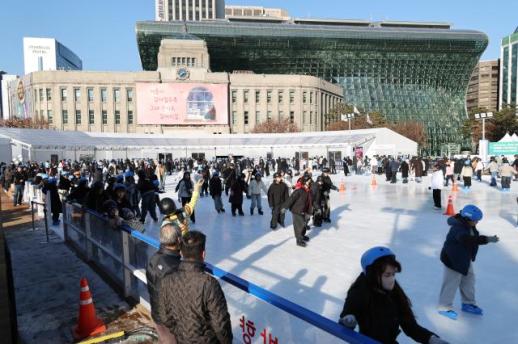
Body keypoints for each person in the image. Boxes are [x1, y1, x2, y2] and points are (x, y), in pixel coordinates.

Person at [339, 247, 449, 344]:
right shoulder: (360, 291)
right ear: (373, 274)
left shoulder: (395, 293)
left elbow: (409, 325)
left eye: (393, 274)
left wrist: (430, 339)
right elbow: (349, 312)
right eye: (387, 275)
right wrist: (348, 318)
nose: (392, 279)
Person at [157, 231, 233, 344]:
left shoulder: (167, 280)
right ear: (203, 254)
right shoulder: (209, 284)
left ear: (181, 253)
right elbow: (221, 325)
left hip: (181, 340)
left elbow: (164, 317)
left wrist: (179, 332)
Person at [437, 205, 499, 320]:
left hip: (464, 259)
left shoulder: (468, 224)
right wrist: (487, 239)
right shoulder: (458, 228)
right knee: (451, 283)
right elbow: (468, 240)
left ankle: (468, 303)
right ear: (468, 218)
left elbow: (471, 238)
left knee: (469, 280)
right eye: (475, 220)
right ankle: (443, 307)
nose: (477, 222)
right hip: (453, 260)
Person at [146, 223, 182, 344]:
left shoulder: (154, 258)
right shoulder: (174, 267)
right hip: (170, 322)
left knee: (163, 340)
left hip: (157, 314)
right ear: (178, 239)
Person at [283, 174, 312, 247]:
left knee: (304, 225)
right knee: (299, 225)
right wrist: (285, 207)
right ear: (305, 182)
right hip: (297, 210)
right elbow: (291, 199)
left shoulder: (308, 190)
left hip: (304, 210)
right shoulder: (299, 191)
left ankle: (302, 236)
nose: (310, 182)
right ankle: (298, 240)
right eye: (309, 181)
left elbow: (310, 201)